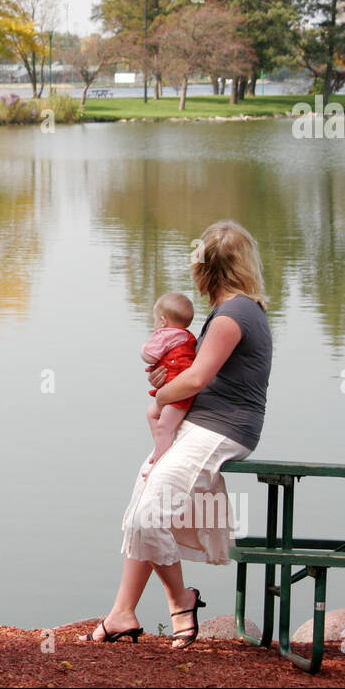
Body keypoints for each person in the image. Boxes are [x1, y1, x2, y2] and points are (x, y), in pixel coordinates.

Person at [83, 220, 272, 649]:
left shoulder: (232, 316)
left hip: (222, 428)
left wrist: (161, 394)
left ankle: (181, 599)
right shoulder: (231, 311)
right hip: (201, 424)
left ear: (203, 269)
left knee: (151, 517)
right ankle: (122, 612)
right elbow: (198, 375)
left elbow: (197, 379)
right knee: (140, 510)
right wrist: (170, 379)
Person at [141, 292, 197, 476]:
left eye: (155, 320)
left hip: (178, 394)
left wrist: (143, 349)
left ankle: (161, 457)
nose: (155, 325)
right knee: (154, 414)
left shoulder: (166, 334)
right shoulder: (186, 336)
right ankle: (163, 443)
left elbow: (149, 355)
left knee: (163, 424)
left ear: (163, 321)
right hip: (175, 390)